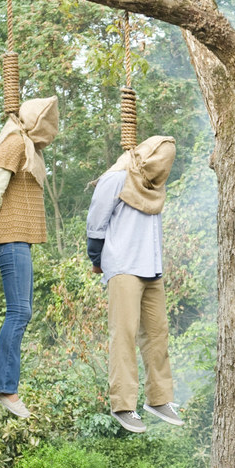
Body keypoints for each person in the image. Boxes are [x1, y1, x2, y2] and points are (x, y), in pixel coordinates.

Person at [86, 135, 182, 433]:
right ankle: (124, 405)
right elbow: (96, 222)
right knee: (124, 336)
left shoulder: (155, 185)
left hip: (152, 266)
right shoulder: (116, 178)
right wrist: (96, 258)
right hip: (124, 265)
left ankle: (159, 398)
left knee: (157, 335)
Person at [0, 96, 59, 419]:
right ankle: (5, 387)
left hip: (19, 239)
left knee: (24, 311)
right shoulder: (14, 142)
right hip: (8, 237)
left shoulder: (28, 147)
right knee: (19, 311)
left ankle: (5, 385)